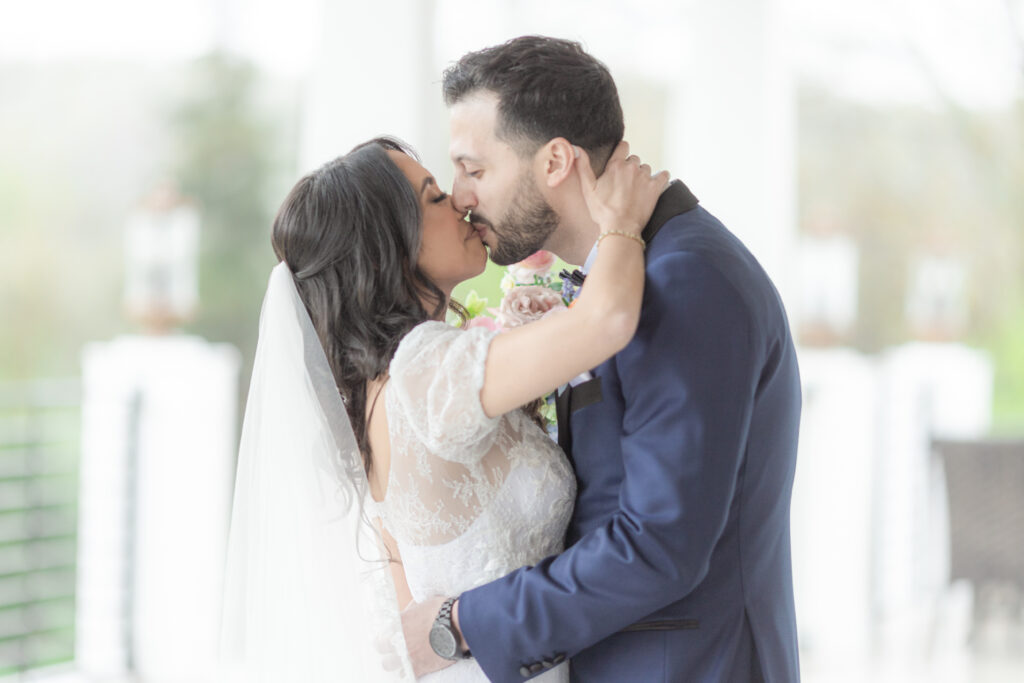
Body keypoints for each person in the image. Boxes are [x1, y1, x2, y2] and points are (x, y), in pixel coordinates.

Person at [400, 36, 803, 682]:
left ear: (555, 160)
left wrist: (462, 622)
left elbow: (660, 544)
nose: (461, 196)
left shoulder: (686, 280)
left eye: (474, 169)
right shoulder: (627, 274)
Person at [218, 135, 667, 682]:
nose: (461, 201)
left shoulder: (375, 392)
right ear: (390, 247)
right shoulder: (424, 369)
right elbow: (607, 321)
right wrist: (620, 221)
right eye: (433, 197)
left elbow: (408, 612)